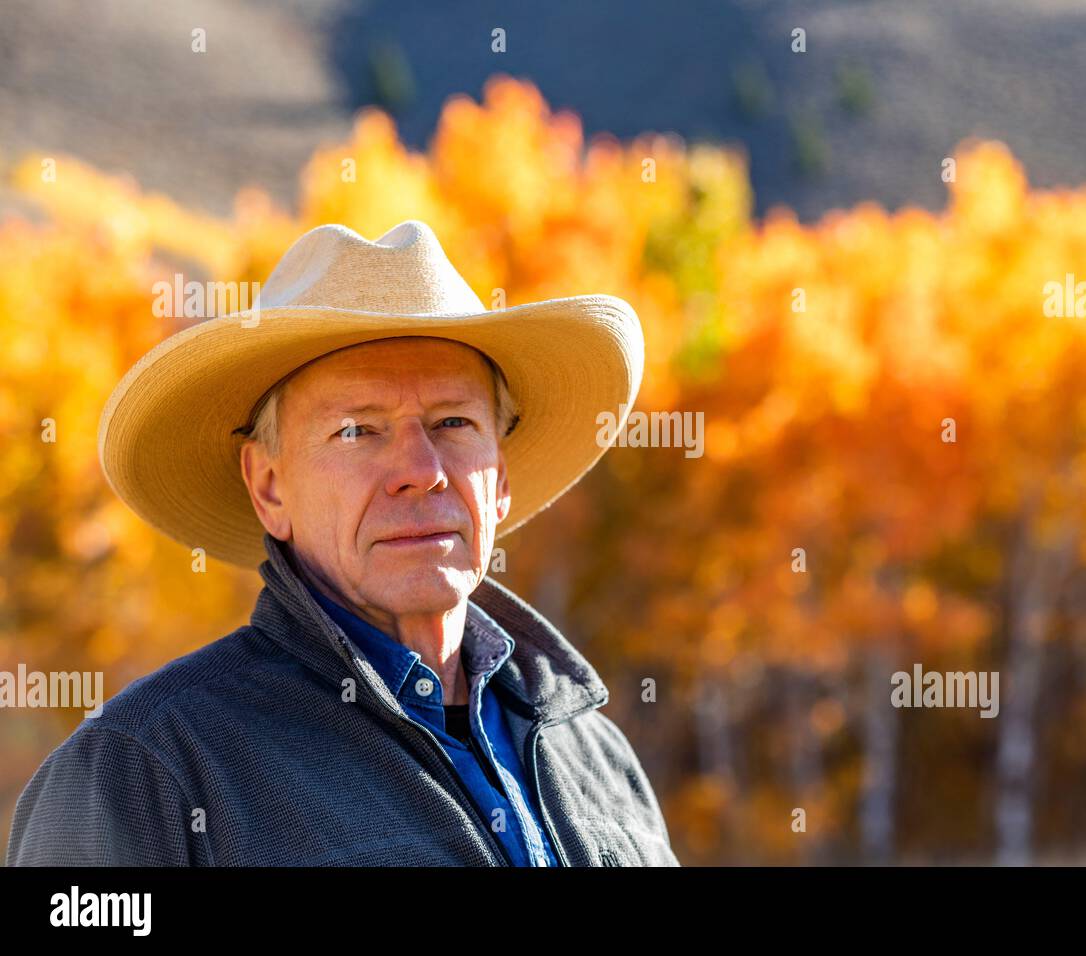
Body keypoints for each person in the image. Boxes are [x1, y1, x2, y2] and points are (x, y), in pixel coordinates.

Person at [6, 220, 679, 866]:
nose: (422, 471)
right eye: (358, 431)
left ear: (499, 478)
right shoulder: (146, 771)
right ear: (269, 487)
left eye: (452, 421)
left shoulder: (593, 754)